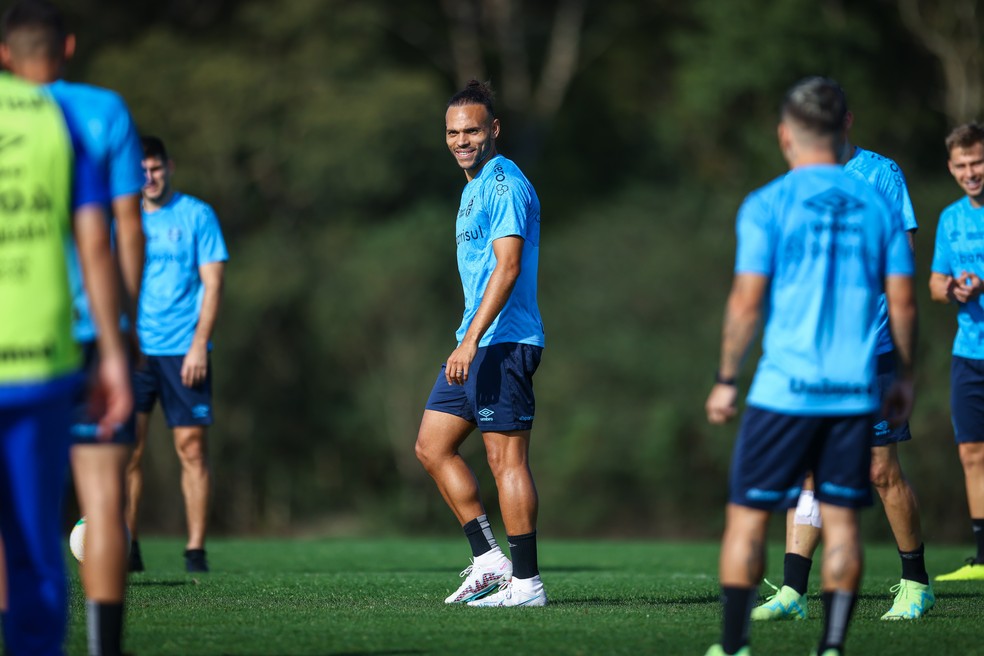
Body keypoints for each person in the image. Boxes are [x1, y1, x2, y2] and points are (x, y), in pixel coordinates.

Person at [703, 76, 917, 656]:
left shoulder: (767, 203)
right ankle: (832, 648)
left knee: (747, 521)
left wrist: (726, 379)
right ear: (842, 125)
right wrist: (906, 376)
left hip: (782, 393)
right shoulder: (879, 200)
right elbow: (903, 299)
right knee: (844, 524)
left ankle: (733, 647)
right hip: (852, 390)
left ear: (785, 135)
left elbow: (746, 302)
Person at [1, 2, 145, 653]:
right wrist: (126, 326)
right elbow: (122, 230)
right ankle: (102, 648)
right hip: (84, 333)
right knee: (102, 498)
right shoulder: (101, 111)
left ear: (6, 54)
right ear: (68, 46)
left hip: (16, 332)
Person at [751, 118, 933, 621]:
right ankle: (793, 592)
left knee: (879, 470)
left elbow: (903, 256)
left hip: (869, 347)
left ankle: (916, 581)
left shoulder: (880, 173)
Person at [414, 80, 547, 607]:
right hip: (474, 342)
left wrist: (469, 341)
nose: (461, 140)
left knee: (505, 463)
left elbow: (508, 266)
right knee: (431, 446)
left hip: (504, 343)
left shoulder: (503, 184)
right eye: (452, 132)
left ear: (493, 130)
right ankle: (490, 561)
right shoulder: (472, 188)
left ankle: (527, 583)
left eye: (471, 130)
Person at [125, 136, 228, 573]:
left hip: (184, 350)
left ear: (168, 166)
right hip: (133, 351)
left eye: (155, 168)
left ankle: (195, 551)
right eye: (140, 170)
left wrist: (198, 345)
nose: (148, 177)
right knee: (126, 451)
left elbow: (213, 283)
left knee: (191, 449)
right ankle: (127, 546)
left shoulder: (197, 215)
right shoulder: (121, 218)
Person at [929, 121, 984, 582]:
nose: (971, 172)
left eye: (978, 162)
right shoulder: (950, 219)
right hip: (968, 351)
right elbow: (932, 283)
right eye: (962, 164)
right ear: (950, 167)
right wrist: (950, 288)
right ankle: (983, 558)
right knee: (971, 452)